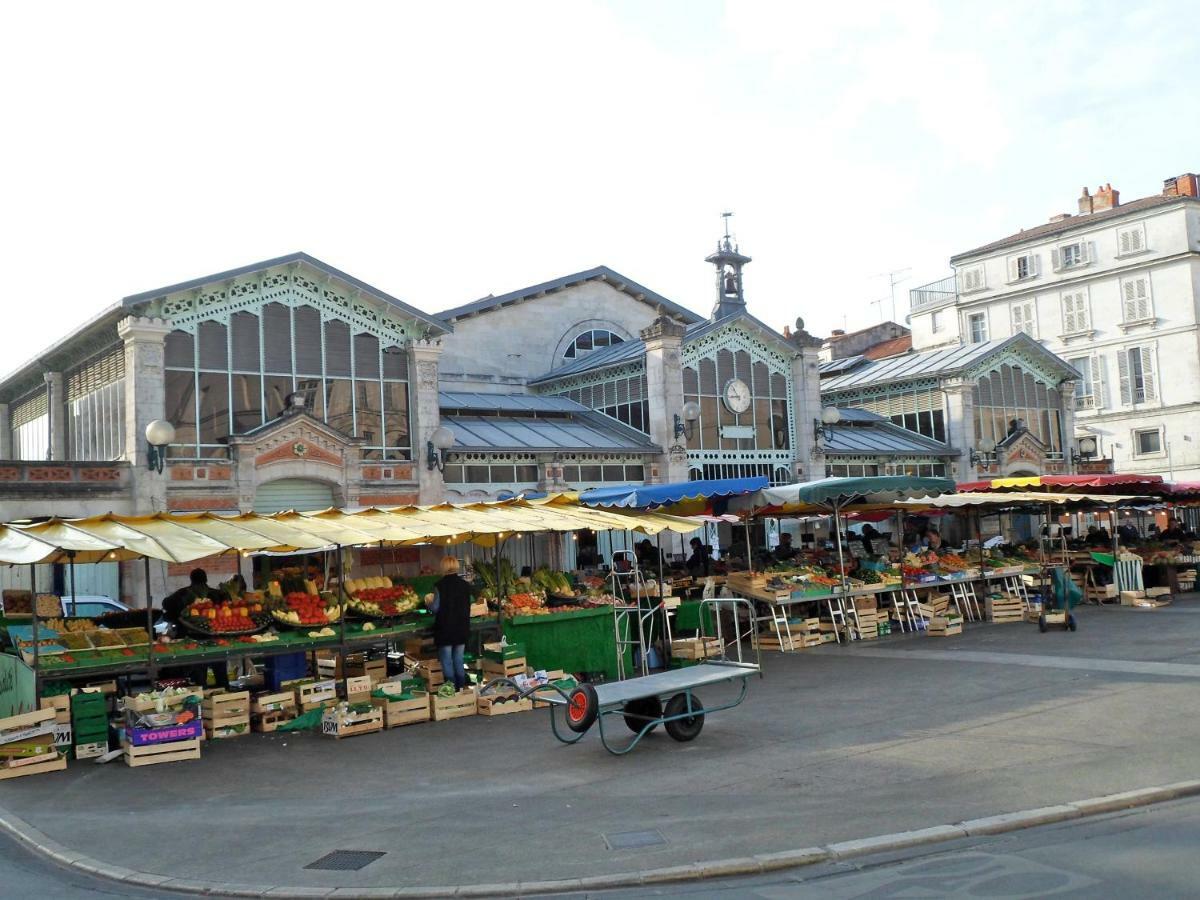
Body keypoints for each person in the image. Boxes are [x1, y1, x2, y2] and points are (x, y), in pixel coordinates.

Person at [429, 556, 473, 692]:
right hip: (461, 627)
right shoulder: (465, 585)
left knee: (447, 661)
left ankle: (451, 689)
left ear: (443, 567)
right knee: (459, 659)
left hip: (445, 628)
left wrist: (428, 604)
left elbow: (435, 607)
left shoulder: (439, 586)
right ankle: (461, 688)